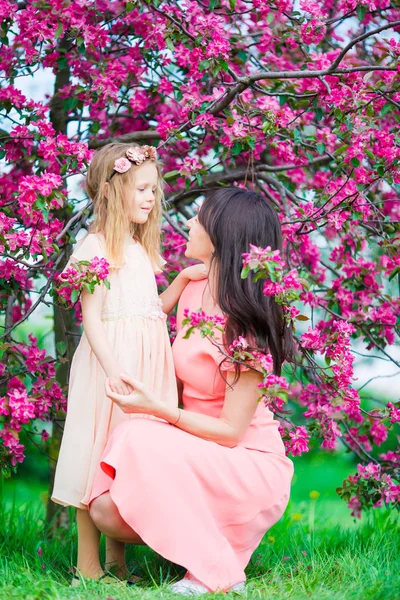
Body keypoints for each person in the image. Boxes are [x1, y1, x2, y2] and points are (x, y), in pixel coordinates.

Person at [88, 187, 295, 594]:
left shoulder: (246, 323)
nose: (186, 222)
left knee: (137, 433)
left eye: (197, 218)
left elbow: (231, 433)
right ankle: (205, 545)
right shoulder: (193, 292)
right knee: (105, 509)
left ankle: (214, 571)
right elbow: (133, 319)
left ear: (221, 235)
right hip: (197, 448)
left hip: (244, 461)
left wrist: (158, 410)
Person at [51, 142, 205, 584]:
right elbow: (93, 318)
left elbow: (148, 308)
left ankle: (118, 563)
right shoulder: (94, 246)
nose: (151, 199)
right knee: (94, 455)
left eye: (154, 191)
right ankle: (88, 566)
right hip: (111, 367)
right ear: (115, 189)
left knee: (127, 461)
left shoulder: (138, 248)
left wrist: (180, 280)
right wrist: (113, 366)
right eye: (142, 189)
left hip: (145, 368)